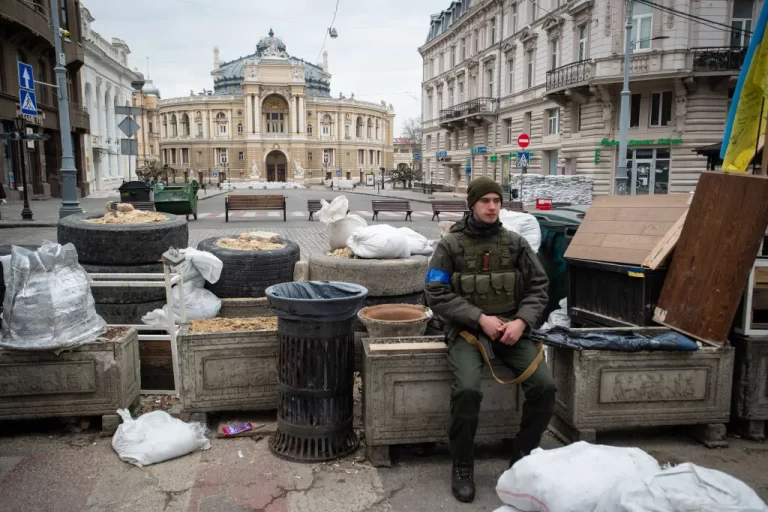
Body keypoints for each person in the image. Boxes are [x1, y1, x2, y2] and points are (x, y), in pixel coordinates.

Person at [425, 177, 555, 503]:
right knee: (468, 389)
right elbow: (436, 292)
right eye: (485, 200)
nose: (492, 206)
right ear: (472, 204)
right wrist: (478, 317)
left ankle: (523, 455)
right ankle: (463, 465)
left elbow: (539, 286)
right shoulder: (449, 246)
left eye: (496, 200)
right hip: (467, 333)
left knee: (545, 386)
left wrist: (523, 322)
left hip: (510, 331)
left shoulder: (514, 243)